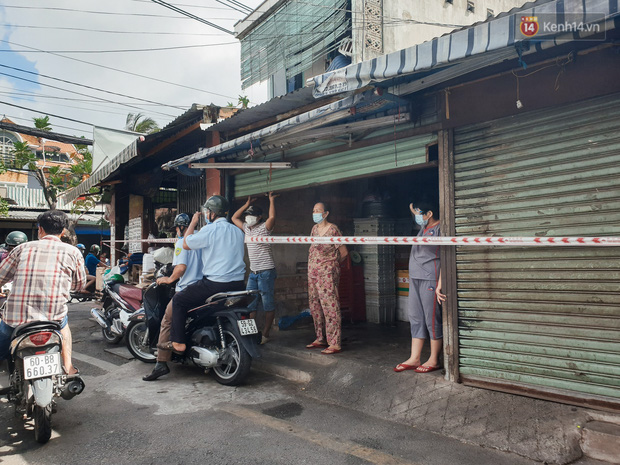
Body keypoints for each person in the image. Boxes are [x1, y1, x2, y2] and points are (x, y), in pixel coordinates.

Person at [0, 210, 86, 375]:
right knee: (64, 326)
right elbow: (79, 285)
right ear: (62, 231)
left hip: (16, 320)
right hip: (53, 319)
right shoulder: (74, 252)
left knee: (2, 344)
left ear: (40, 229)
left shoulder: (22, 249)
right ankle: (68, 367)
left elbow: (1, 277)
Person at [166, 195, 246, 354]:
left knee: (179, 300)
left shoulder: (210, 230)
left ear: (212, 213)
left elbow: (186, 243)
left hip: (215, 284)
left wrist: (193, 223)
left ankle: (179, 343)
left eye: (207, 211)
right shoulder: (237, 231)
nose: (206, 214)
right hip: (238, 283)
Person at [143, 213, 202, 381]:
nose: (176, 231)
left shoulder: (181, 243)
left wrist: (169, 279)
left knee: (166, 321)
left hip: (186, 289)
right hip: (204, 288)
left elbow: (181, 267)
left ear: (181, 227)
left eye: (176, 228)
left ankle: (161, 363)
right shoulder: (202, 239)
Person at [394, 199, 444, 374]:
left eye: (418, 214)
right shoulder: (423, 228)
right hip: (414, 277)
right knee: (415, 316)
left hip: (430, 278)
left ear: (429, 214)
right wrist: (413, 210)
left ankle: (433, 359)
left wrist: (440, 284)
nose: (416, 218)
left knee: (431, 319)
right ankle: (415, 358)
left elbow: (447, 257)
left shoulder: (440, 229)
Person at [231, 192, 278, 344]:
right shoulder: (247, 229)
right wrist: (246, 204)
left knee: (267, 303)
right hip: (254, 273)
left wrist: (271, 201)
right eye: (247, 215)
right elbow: (233, 218)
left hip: (266, 272)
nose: (247, 218)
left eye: (251, 215)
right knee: (251, 304)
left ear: (258, 217)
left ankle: (265, 334)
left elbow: (272, 218)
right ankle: (251, 332)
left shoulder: (264, 228)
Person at [306, 202, 348, 355]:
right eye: (313, 210)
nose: (315, 212)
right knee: (315, 305)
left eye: (318, 210)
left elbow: (343, 253)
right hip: (313, 273)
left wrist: (330, 266)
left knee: (330, 306)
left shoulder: (333, 229)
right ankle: (320, 338)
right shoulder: (314, 229)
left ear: (326, 213)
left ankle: (334, 342)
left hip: (327, 274)